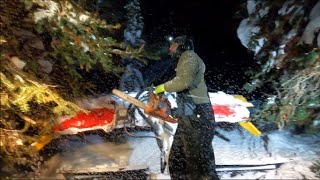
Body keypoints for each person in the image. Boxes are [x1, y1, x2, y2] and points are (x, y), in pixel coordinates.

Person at [154, 35, 219, 180]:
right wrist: (176, 112)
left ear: (182, 45)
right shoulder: (185, 60)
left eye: (173, 45)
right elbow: (187, 93)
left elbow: (184, 82)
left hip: (198, 118)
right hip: (191, 117)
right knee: (179, 160)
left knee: (197, 165)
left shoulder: (188, 56)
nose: (170, 48)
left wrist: (162, 87)